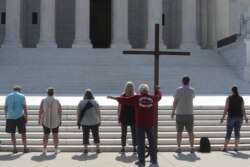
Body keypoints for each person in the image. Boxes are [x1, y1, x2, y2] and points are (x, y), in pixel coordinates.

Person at [107, 84, 161, 166]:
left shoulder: (137, 98)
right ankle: (153, 160)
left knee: (140, 143)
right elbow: (159, 96)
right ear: (148, 90)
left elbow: (124, 100)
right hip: (150, 124)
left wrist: (113, 98)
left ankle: (141, 161)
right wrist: (158, 89)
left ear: (140, 91)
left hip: (140, 124)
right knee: (152, 142)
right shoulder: (153, 97)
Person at [220, 86, 248, 152]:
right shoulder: (241, 98)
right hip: (239, 118)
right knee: (237, 132)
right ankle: (236, 148)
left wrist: (223, 117)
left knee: (229, 132)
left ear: (232, 91)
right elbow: (243, 109)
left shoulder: (229, 98)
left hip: (231, 117)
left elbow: (226, 108)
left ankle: (225, 148)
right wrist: (246, 117)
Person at [171, 75, 195, 153]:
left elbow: (175, 102)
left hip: (180, 113)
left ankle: (179, 147)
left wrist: (173, 112)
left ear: (182, 81)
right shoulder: (192, 90)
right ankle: (191, 147)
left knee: (179, 132)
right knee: (190, 132)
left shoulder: (178, 90)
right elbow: (193, 97)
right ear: (189, 81)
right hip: (189, 113)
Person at [4, 85, 29, 154]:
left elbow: (5, 107)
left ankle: (14, 148)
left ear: (13, 89)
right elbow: (24, 108)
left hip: (10, 117)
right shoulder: (22, 96)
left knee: (12, 133)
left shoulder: (8, 96)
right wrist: (26, 117)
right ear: (19, 90)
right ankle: (25, 148)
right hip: (20, 116)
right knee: (23, 133)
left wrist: (6, 116)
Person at [77, 89, 101, 154]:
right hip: (95, 121)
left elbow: (78, 112)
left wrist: (78, 120)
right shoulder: (95, 102)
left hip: (84, 121)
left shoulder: (81, 102)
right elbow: (98, 112)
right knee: (96, 135)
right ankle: (98, 149)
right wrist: (100, 119)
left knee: (85, 135)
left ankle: (85, 149)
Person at [38, 87, 62, 154]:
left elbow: (40, 111)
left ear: (47, 93)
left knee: (46, 135)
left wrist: (39, 118)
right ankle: (56, 149)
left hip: (45, 120)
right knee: (55, 135)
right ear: (53, 93)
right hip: (55, 120)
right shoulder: (57, 100)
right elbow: (59, 111)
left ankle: (45, 149)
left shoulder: (43, 100)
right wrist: (60, 119)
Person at [118, 81, 136, 153]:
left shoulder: (122, 96)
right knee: (134, 133)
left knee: (124, 133)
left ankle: (123, 148)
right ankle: (135, 147)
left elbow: (119, 107)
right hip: (133, 116)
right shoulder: (135, 96)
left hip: (124, 116)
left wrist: (118, 116)